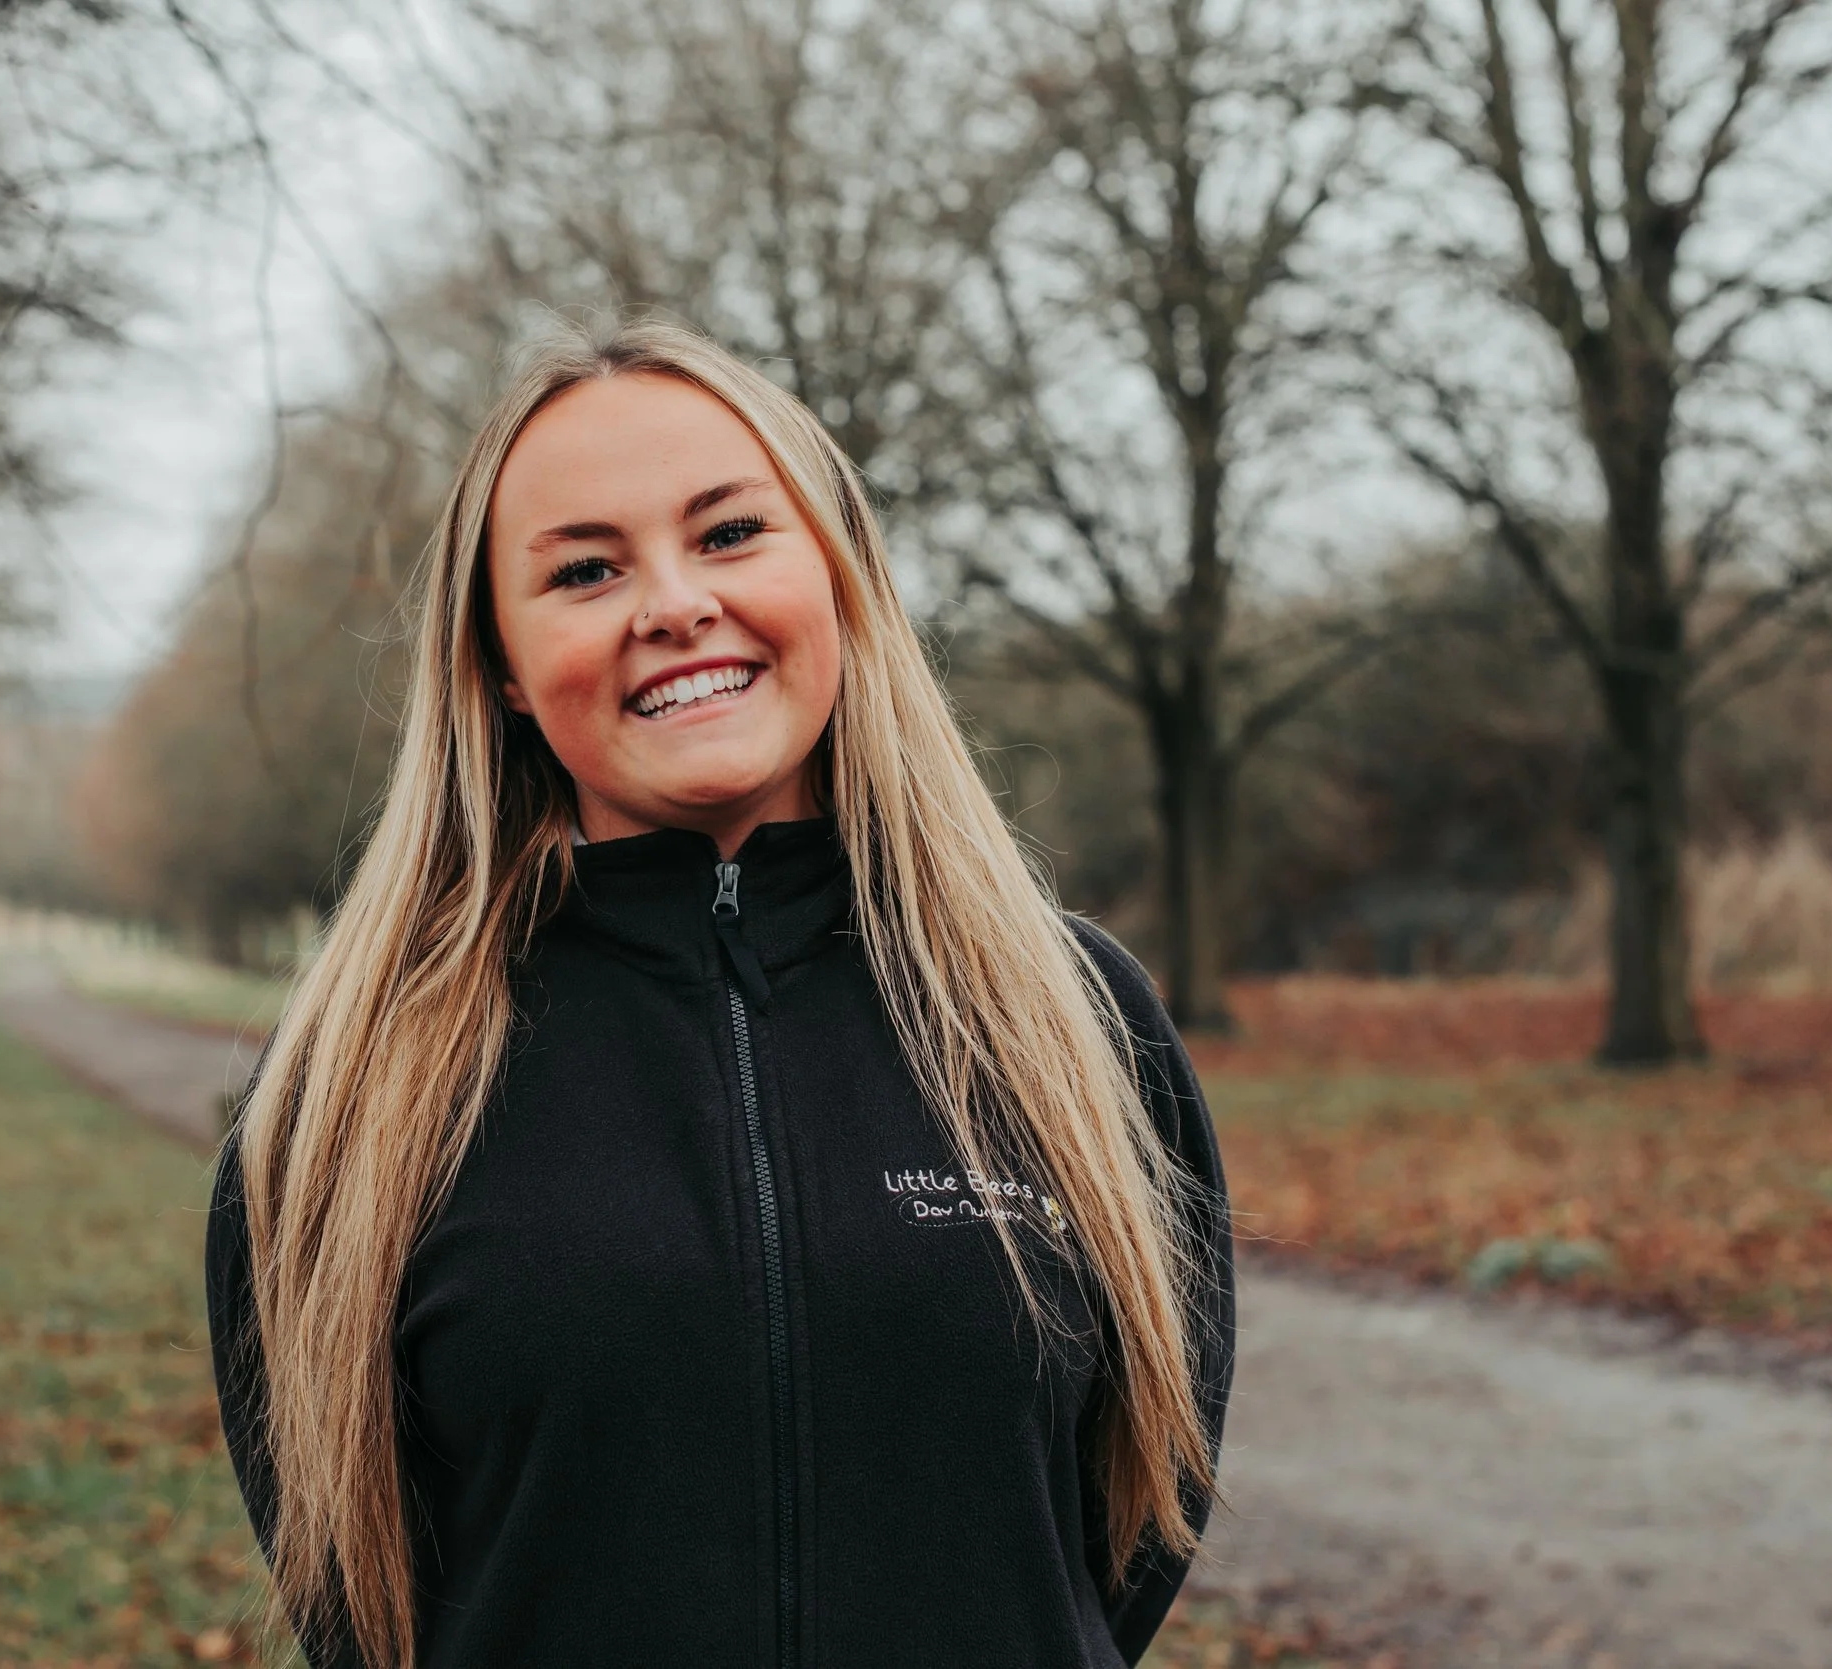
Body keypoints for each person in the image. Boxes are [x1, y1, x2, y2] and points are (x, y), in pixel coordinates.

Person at [206, 317, 1234, 1669]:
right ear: (502, 667)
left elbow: (1131, 1523)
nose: (674, 603)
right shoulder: (355, 1086)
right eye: (584, 568)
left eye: (733, 533)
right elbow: (355, 1598)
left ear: (843, 575)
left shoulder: (1075, 1017)